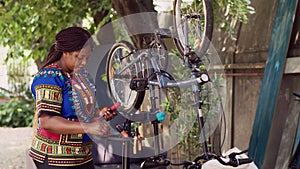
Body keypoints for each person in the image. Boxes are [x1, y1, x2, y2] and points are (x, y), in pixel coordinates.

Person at [28, 26, 117, 169]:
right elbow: (47, 121)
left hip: (83, 156)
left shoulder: (82, 76)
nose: (84, 62)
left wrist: (99, 113)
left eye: (87, 58)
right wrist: (88, 127)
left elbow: (80, 112)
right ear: (65, 53)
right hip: (55, 159)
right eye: (79, 57)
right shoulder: (49, 78)